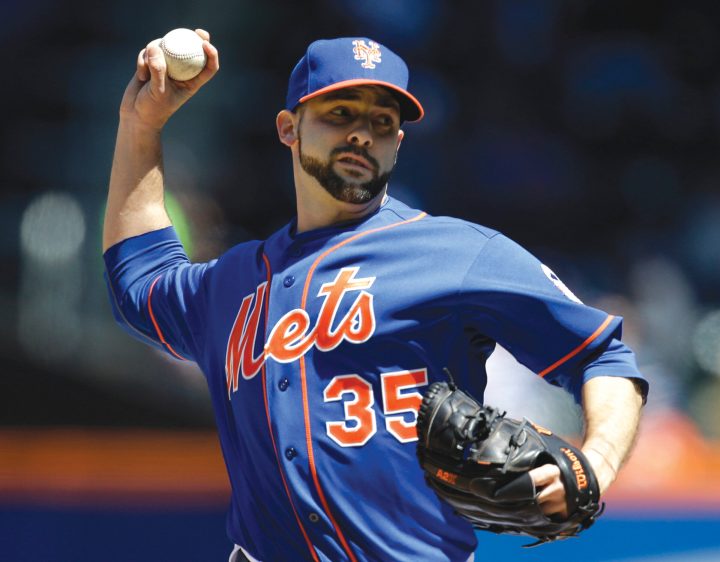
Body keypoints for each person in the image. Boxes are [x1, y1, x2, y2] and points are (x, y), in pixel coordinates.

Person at [103, 31, 647, 562]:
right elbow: (139, 280)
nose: (362, 134)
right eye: (340, 113)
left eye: (382, 122)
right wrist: (141, 124)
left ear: (398, 143)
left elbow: (603, 354)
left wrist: (595, 463)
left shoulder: (455, 252)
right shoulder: (235, 282)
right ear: (288, 128)